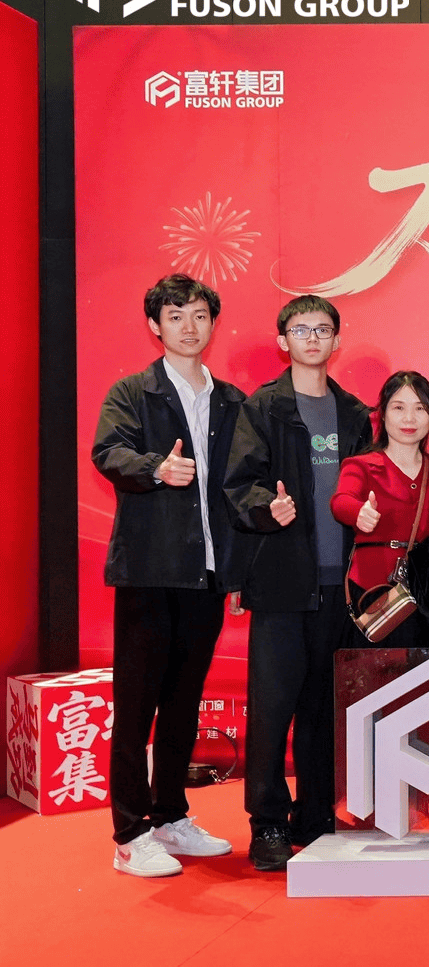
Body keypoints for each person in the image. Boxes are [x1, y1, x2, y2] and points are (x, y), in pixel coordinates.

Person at [92, 274, 243, 878]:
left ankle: (171, 817)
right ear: (155, 325)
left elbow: (240, 486)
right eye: (175, 316)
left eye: (200, 315)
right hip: (150, 570)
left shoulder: (231, 401)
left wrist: (238, 567)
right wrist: (158, 468)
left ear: (213, 324)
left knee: (184, 701)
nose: (189, 326)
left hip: (206, 573)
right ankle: (130, 834)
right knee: (136, 706)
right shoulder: (133, 392)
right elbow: (108, 453)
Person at [224, 295, 372, 871]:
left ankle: (316, 816)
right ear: (283, 341)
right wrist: (268, 507)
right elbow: (240, 485)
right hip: (285, 581)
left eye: (323, 329)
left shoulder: (355, 413)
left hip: (344, 587)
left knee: (324, 707)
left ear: (337, 340)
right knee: (272, 708)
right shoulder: (263, 407)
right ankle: (267, 823)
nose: (313, 338)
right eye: (301, 329)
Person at [330, 371, 429, 649]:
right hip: (377, 595)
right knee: (375, 670)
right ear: (383, 414)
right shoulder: (361, 465)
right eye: (399, 408)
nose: (409, 418)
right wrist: (359, 512)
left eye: (420, 409)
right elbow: (340, 501)